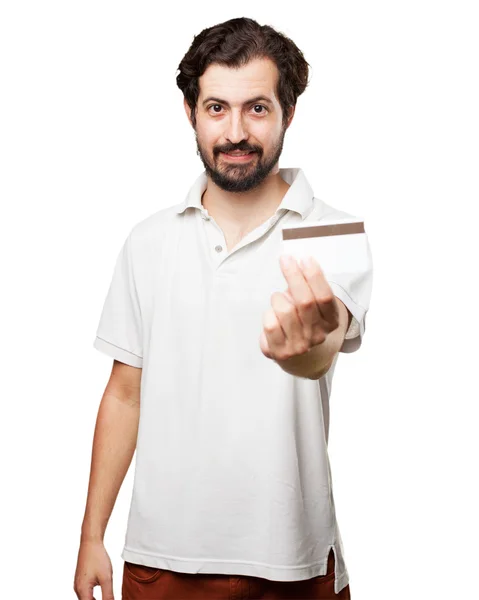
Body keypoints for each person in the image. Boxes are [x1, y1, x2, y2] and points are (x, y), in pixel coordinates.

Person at [74, 16, 373, 600]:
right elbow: (124, 393)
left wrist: (306, 346)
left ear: (289, 113)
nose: (236, 131)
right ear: (191, 112)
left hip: (292, 560)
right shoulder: (149, 240)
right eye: (217, 108)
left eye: (257, 108)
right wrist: (91, 536)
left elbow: (322, 344)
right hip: (159, 558)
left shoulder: (331, 231)